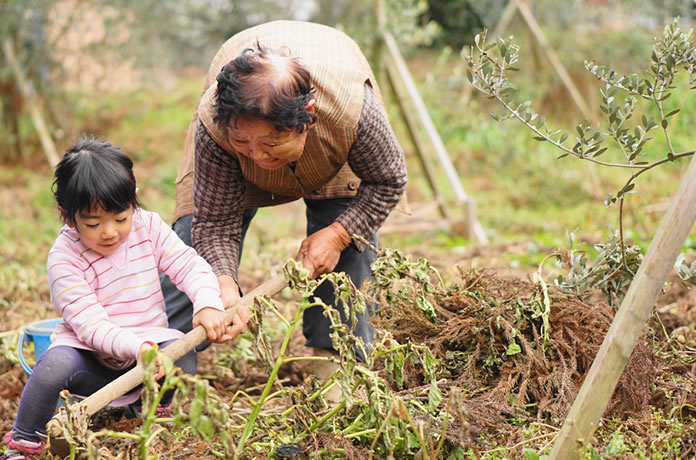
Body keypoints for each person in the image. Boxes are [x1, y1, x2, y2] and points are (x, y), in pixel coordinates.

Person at [161, 20, 408, 367]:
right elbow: (215, 223)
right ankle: (167, 366)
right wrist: (220, 280)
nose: (259, 157)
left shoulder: (352, 112)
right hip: (224, 162)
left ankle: (335, 366)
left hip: (334, 147)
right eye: (244, 143)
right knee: (190, 250)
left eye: (272, 144)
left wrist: (338, 235)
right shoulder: (215, 128)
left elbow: (389, 181)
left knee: (350, 246)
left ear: (306, 118)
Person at [3, 138, 235, 458]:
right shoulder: (64, 258)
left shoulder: (148, 226)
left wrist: (208, 303)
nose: (110, 232)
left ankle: (154, 410)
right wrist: (136, 349)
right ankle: (25, 438)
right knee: (53, 365)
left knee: (181, 351)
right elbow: (90, 324)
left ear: (133, 200)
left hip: (149, 349)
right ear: (68, 217)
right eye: (93, 223)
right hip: (91, 358)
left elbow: (189, 265)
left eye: (120, 218)